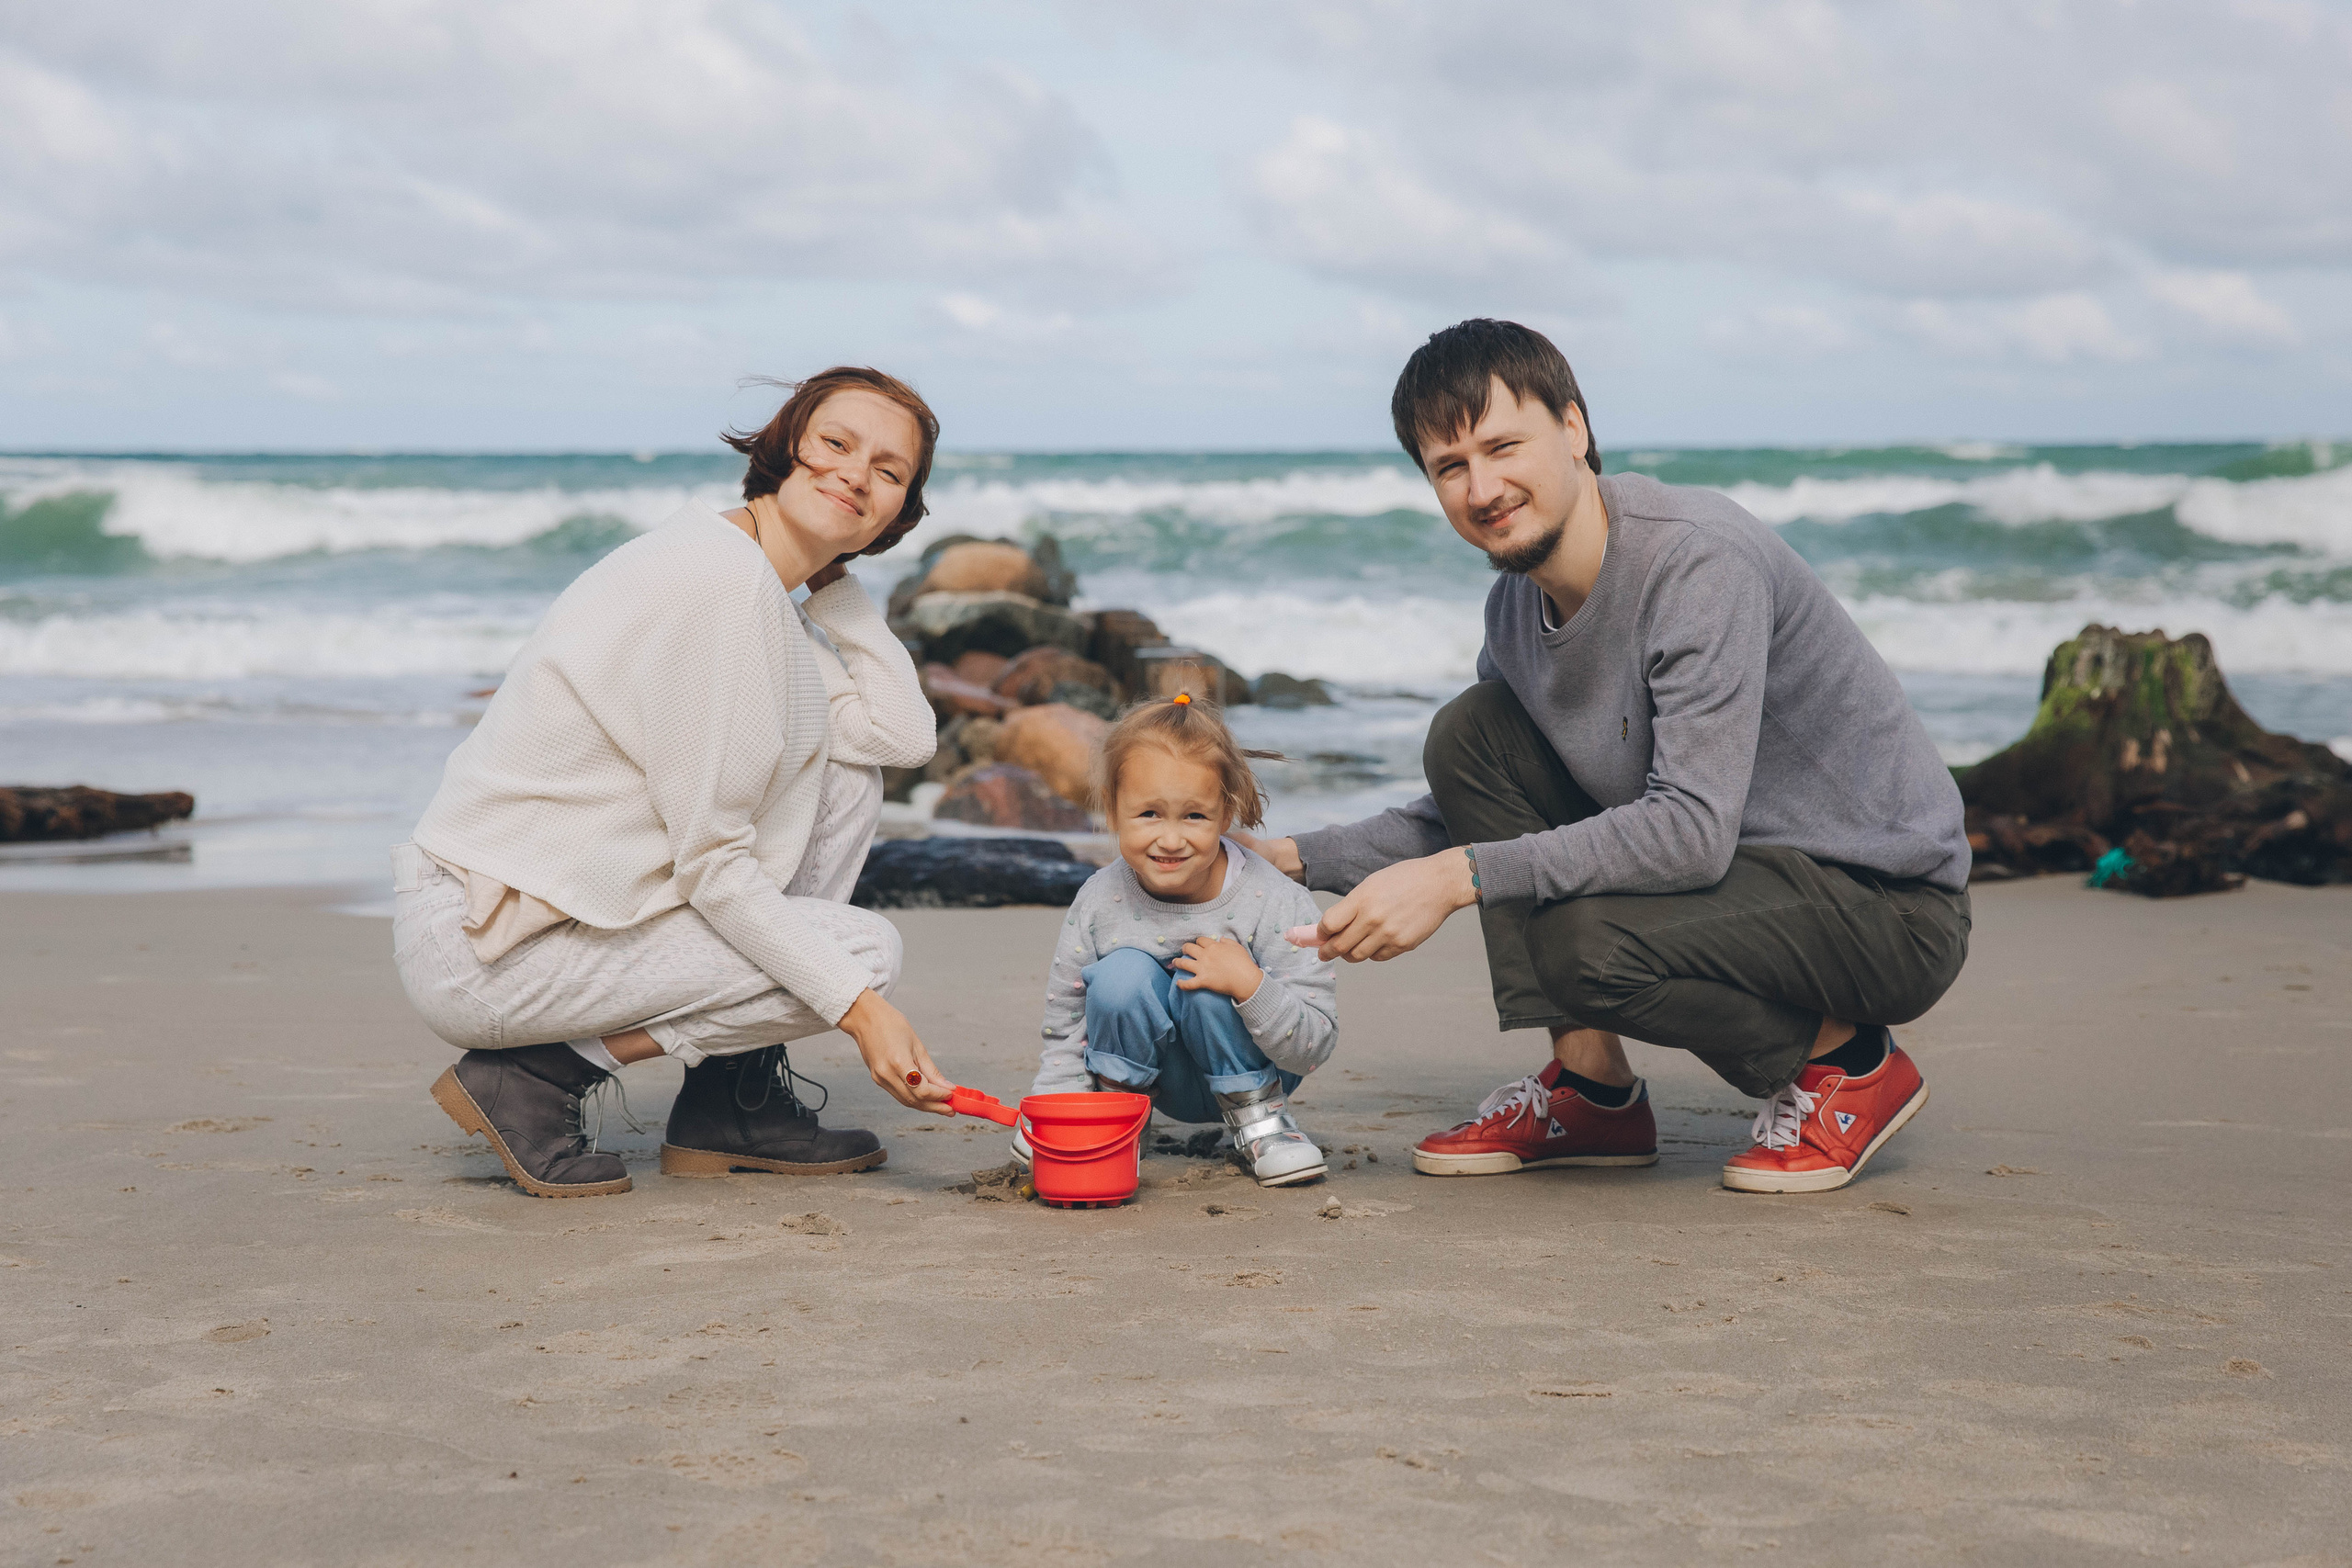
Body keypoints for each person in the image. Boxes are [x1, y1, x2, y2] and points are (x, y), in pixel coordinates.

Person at [1240, 320, 1971, 1194]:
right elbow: (1467, 809)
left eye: (1503, 445)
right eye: (1449, 467)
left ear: (1575, 429)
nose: (1482, 487)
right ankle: (1593, 1090)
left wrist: (1451, 880)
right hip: (1746, 878)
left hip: (1883, 906)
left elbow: (1692, 831)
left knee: (1583, 945)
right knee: (1471, 734)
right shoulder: (1513, 609)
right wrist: (1288, 859)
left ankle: (1849, 1064)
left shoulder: (1694, 561)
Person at [390, 367, 956, 1198]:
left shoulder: (760, 584)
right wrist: (860, 1011)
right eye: (836, 444)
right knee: (862, 953)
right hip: (489, 942)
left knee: (845, 776)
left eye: (888, 471)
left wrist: (833, 574)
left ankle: (732, 1094)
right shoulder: (719, 589)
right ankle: (538, 1077)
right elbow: (713, 866)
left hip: (554, 910)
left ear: (899, 512)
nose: (856, 474)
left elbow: (898, 736)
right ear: (785, 444)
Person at [1020, 694, 1337, 1188]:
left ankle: (1264, 1127)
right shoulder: (1100, 899)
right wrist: (1057, 1105)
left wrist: (1250, 985)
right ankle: (1116, 1125)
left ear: (1226, 813)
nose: (1171, 840)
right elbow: (1066, 1016)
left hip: (1258, 1070)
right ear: (1112, 809)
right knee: (1120, 976)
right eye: (1149, 813)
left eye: (1194, 816)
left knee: (1207, 979)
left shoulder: (1273, 899)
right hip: (1147, 1081)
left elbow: (1313, 1046)